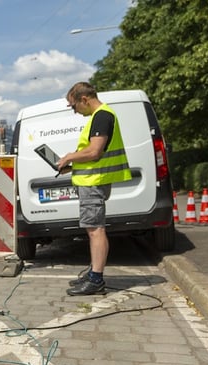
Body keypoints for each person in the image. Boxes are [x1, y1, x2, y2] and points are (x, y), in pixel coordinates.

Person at [55, 82, 132, 295]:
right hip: (93, 179)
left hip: (94, 182)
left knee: (95, 230)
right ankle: (92, 274)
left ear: (84, 100)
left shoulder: (102, 116)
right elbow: (93, 155)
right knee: (94, 228)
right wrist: (72, 166)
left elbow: (95, 151)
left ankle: (96, 279)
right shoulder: (100, 116)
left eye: (73, 106)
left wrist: (69, 156)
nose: (75, 110)